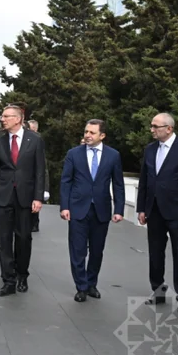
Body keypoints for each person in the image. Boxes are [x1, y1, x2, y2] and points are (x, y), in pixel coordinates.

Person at [136, 112, 178, 314]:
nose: (152, 129)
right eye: (152, 126)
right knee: (155, 253)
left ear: (169, 128)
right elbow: (145, 181)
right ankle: (158, 290)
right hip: (154, 211)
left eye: (156, 126)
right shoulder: (150, 149)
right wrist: (141, 208)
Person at [59, 119, 125, 302]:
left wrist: (119, 209)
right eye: (86, 131)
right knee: (78, 250)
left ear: (102, 135)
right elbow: (66, 181)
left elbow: (118, 184)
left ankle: (91, 284)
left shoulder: (113, 155)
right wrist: (64, 207)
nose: (87, 135)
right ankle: (81, 286)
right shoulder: (74, 154)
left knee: (97, 250)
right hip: (78, 209)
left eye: (92, 132)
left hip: (101, 210)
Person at [0, 105, 46, 296]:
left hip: (26, 198)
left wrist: (38, 196)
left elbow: (40, 170)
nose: (2, 119)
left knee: (23, 238)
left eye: (6, 116)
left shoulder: (35, 140)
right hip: (3, 197)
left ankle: (22, 275)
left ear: (18, 119)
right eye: (2, 116)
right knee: (3, 240)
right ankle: (8, 279)